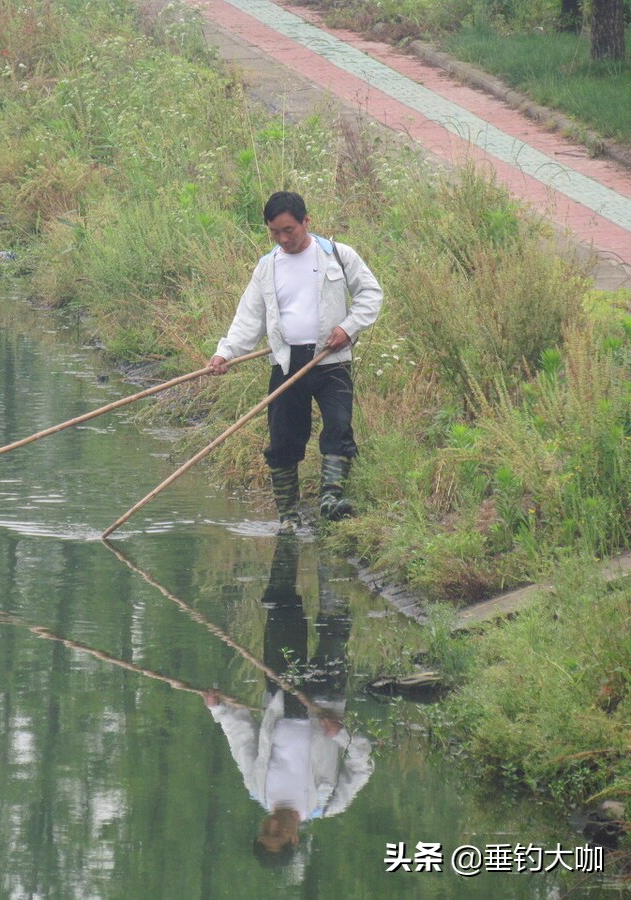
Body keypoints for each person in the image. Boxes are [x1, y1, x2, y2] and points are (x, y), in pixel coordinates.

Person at [207, 191, 382, 532]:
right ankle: (288, 516)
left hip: (332, 358)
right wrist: (226, 353)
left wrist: (347, 328)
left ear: (306, 222)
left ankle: (331, 500)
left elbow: (370, 294)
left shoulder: (338, 256)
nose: (283, 239)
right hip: (286, 363)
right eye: (275, 232)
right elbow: (250, 317)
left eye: (289, 230)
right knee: (284, 438)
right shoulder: (267, 267)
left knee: (338, 426)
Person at [204, 537, 373, 876]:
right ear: (294, 840)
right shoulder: (328, 805)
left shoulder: (257, 786)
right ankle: (336, 544)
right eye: (277, 836)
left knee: (281, 609)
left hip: (284, 692)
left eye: (265, 832)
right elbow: (362, 765)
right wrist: (339, 735)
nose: (271, 827)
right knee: (334, 623)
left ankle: (288, 536)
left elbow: (242, 739)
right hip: (325, 700)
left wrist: (218, 708)